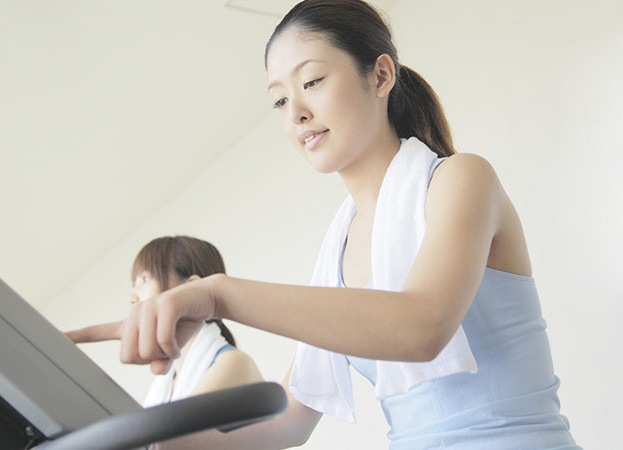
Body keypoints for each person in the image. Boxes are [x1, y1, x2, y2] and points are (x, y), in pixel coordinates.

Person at [115, 1, 581, 448]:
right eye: (279, 101)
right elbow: (294, 417)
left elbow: (422, 327)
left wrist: (220, 294)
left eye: (313, 80)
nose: (295, 111)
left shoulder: (461, 179)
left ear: (380, 76)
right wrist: (152, 440)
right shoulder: (337, 251)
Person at [66, 235, 262, 407]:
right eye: (134, 284)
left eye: (144, 280)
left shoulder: (232, 364)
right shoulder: (163, 386)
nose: (132, 297)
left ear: (193, 288)